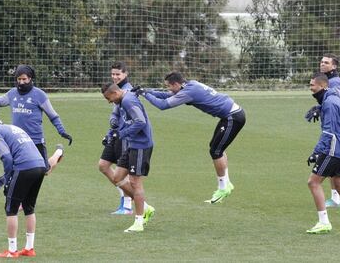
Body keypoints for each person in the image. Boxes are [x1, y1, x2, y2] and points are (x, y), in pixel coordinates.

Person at [134, 71, 246, 204]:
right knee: (215, 148)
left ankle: (223, 187)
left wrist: (144, 94)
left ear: (176, 84)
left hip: (233, 117)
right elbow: (166, 95)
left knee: (216, 151)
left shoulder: (188, 92)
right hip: (230, 115)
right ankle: (226, 183)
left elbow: (163, 105)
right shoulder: (190, 85)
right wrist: (146, 90)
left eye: (169, 86)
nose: (168, 89)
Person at [0, 64, 72, 172]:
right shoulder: (12, 94)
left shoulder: (39, 95)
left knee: (44, 171)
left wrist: (62, 132)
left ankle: (58, 152)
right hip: (19, 140)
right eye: (18, 79)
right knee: (20, 167)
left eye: (24, 79)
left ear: (30, 78)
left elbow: (53, 116)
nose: (21, 82)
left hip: (36, 139)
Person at [0, 109, 52, 258]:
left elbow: (6, 157)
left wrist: (8, 178)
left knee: (11, 208)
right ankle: (29, 248)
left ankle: (12, 251)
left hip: (25, 167)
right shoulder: (12, 127)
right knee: (29, 207)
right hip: (39, 166)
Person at [305, 73, 340, 234]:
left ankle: (324, 222)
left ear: (322, 86)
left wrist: (316, 152)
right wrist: (320, 109)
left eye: (312, 85)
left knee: (313, 182)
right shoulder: (333, 99)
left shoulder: (329, 102)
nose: (311, 89)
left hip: (332, 149)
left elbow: (328, 132)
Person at [101, 82, 155, 232]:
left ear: (114, 93)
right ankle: (145, 207)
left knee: (135, 182)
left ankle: (139, 221)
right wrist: (110, 135)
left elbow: (140, 122)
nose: (109, 101)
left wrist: (121, 134)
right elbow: (122, 123)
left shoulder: (128, 101)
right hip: (132, 144)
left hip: (141, 145)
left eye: (108, 98)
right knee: (117, 177)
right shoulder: (121, 102)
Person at [305, 54, 340, 208]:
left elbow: (338, 103)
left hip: (336, 128)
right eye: (321, 61)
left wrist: (320, 108)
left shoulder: (335, 82)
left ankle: (335, 198)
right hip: (333, 126)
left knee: (330, 156)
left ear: (334, 66)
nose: (322, 64)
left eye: (326, 62)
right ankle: (336, 198)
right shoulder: (328, 80)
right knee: (334, 163)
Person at [98, 62, 133, 214]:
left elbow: (129, 118)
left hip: (124, 135)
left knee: (122, 172)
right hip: (114, 134)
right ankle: (125, 198)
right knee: (103, 165)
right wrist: (110, 130)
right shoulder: (114, 90)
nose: (115, 77)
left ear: (125, 74)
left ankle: (127, 204)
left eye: (118, 74)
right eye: (113, 74)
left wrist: (119, 130)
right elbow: (115, 114)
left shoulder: (128, 92)